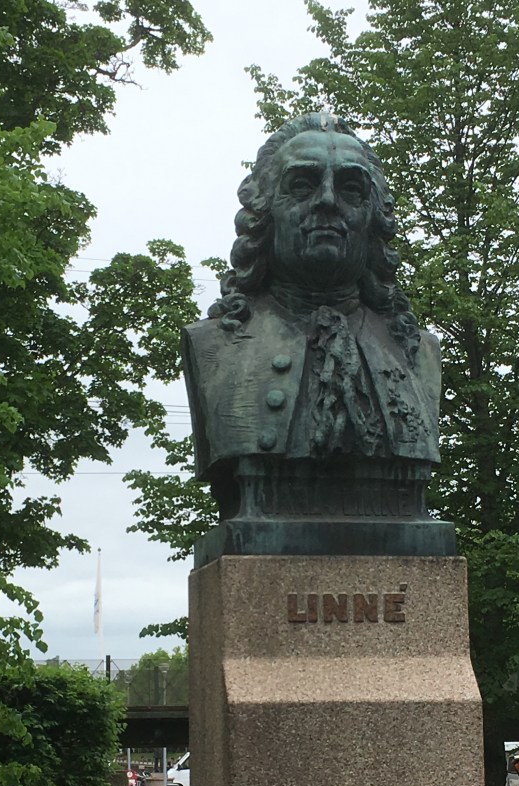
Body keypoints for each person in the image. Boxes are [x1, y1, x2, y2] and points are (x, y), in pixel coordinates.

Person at [183, 112, 443, 525]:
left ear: (374, 221)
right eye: (302, 185)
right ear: (262, 214)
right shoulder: (215, 346)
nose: (326, 201)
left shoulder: (418, 353)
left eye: (351, 189)